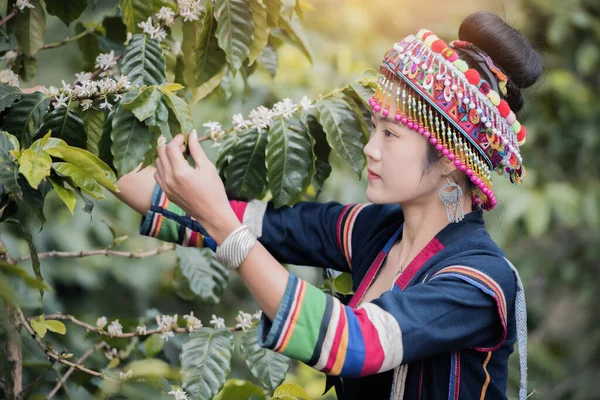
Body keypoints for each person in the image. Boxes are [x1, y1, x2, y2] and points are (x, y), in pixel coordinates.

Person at [114, 11, 543, 400]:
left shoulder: (480, 282)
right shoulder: (374, 229)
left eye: (391, 134)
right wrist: (68, 146)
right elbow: (240, 220)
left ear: (450, 160)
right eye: (374, 127)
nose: (370, 149)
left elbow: (350, 344)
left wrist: (222, 225)